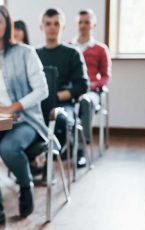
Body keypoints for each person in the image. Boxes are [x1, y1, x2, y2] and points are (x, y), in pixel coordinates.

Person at [0, 5, 49, 229]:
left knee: (8, 148)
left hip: (24, 120)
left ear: (7, 25)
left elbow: (42, 90)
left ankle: (26, 185)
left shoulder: (25, 52)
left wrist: (12, 107)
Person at [36, 8, 89, 167]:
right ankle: (35, 160)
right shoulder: (34, 54)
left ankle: (70, 150)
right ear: (42, 27)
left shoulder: (73, 53)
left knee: (59, 120)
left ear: (63, 27)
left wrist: (56, 97)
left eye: (56, 24)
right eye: (48, 24)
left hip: (63, 104)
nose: (52, 27)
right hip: (38, 104)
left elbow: (82, 85)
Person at [71, 9, 112, 146]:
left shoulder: (100, 49)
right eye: (80, 22)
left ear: (93, 25)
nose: (83, 25)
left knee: (85, 102)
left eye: (87, 22)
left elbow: (105, 76)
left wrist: (93, 84)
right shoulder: (69, 47)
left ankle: (82, 147)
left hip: (91, 92)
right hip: (72, 90)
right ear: (76, 24)